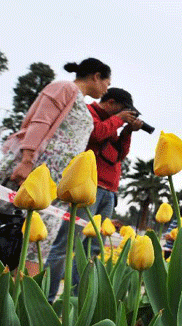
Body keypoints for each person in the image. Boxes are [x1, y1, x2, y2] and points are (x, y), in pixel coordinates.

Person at [0, 58, 112, 274]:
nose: (107, 89)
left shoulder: (81, 101)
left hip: (54, 191)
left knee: (36, 245)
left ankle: (18, 303)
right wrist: (27, 160)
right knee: (11, 232)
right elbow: (40, 122)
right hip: (34, 176)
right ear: (96, 76)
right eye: (107, 82)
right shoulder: (64, 88)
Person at [45, 88, 142, 303]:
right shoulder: (89, 113)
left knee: (92, 248)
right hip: (87, 187)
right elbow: (95, 134)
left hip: (108, 190)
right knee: (67, 243)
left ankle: (76, 300)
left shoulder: (113, 126)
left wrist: (127, 132)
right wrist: (118, 120)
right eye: (124, 110)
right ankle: (48, 300)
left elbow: (118, 155)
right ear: (110, 102)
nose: (125, 114)